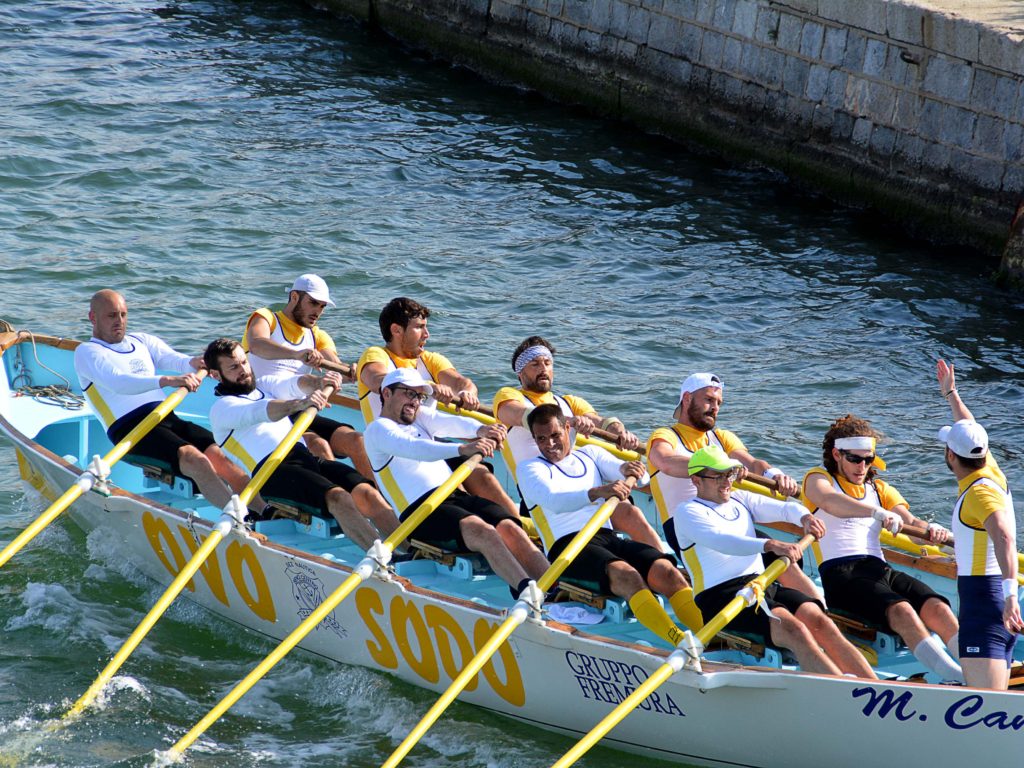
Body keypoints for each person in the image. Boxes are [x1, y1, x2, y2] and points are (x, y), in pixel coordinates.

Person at [675, 445, 876, 678]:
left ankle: (874, 686)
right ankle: (840, 690)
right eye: (717, 476)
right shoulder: (687, 512)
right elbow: (722, 541)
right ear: (696, 480)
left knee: (821, 621)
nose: (726, 482)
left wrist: (805, 518)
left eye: (729, 474)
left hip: (760, 584)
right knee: (794, 629)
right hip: (721, 597)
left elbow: (786, 508)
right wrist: (770, 545)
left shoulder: (740, 498)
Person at [517, 404, 703, 642]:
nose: (550, 445)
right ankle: (681, 642)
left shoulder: (590, 454)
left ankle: (707, 636)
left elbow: (641, 478)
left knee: (668, 572)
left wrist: (627, 468)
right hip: (568, 549)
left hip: (606, 538)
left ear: (567, 429)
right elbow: (555, 501)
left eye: (555, 435)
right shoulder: (530, 468)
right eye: (541, 439)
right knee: (629, 577)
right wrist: (598, 492)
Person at [802, 414, 962, 682]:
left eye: (868, 460)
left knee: (938, 607)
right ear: (837, 454)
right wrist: (875, 512)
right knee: (902, 610)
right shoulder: (818, 479)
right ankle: (955, 677)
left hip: (879, 569)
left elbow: (911, 524)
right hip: (840, 576)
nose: (862, 466)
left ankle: (974, 671)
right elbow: (829, 502)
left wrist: (932, 531)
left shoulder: (879, 489)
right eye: (854, 459)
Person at [363, 368, 549, 594]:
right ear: (387, 393)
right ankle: (527, 593)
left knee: (510, 527)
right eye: (409, 393)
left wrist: (482, 429)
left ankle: (552, 589)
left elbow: (450, 422)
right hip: (421, 513)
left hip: (454, 497)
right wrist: (463, 449)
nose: (415, 401)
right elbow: (414, 448)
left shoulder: (419, 416)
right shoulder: (377, 430)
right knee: (483, 531)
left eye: (419, 396)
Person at [204, 338, 398, 550]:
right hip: (273, 473)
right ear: (215, 375)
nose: (244, 370)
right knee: (339, 497)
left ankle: (407, 549)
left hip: (306, 460)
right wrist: (300, 404)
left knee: (368, 494)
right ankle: (383, 558)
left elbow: (295, 383)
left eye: (244, 362)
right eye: (234, 367)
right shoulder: (221, 409)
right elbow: (261, 411)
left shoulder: (264, 385)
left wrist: (320, 383)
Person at [645, 372, 818, 600]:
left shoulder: (721, 437)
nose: (715, 408)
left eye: (718, 403)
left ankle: (816, 608)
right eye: (708, 400)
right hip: (689, 526)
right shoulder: (665, 436)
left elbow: (753, 464)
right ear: (687, 399)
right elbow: (666, 462)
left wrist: (775, 475)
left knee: (783, 559)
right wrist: (720, 467)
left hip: (730, 517)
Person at [74, 289, 251, 511]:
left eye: (123, 314)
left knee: (221, 456)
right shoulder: (87, 352)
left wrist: (193, 362)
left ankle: (261, 513)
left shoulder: (141, 340)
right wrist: (167, 380)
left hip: (166, 418)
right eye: (112, 316)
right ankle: (238, 519)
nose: (119, 321)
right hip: (131, 431)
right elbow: (119, 382)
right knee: (195, 460)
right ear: (93, 317)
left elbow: (173, 359)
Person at [357, 297, 517, 517]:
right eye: (419, 327)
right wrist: (429, 387)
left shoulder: (429, 359)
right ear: (396, 330)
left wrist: (466, 393)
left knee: (481, 475)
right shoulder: (376, 355)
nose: (427, 334)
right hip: (393, 448)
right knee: (459, 484)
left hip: (429, 437)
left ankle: (519, 526)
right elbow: (377, 380)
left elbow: (462, 383)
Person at [493, 336, 658, 549]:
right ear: (520, 373)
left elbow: (602, 422)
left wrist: (620, 433)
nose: (543, 369)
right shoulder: (508, 396)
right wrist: (568, 420)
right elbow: (522, 415)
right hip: (542, 491)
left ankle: (665, 563)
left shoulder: (569, 402)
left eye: (547, 363)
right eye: (535, 364)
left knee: (629, 511)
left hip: (579, 482)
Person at [936, 358, 1021, 689]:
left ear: (951, 456)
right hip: (994, 597)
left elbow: (1004, 536)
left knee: (987, 704)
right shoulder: (989, 469)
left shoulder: (979, 495)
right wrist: (951, 394)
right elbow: (968, 425)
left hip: (984, 601)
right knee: (994, 699)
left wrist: (1010, 597)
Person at [243, 274, 372, 479]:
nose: (318, 312)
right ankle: (335, 494)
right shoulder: (266, 318)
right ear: (294, 297)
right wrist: (296, 354)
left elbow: (337, 369)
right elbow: (257, 344)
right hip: (264, 409)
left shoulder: (317, 335)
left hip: (300, 408)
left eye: (322, 306)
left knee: (356, 440)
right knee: (318, 445)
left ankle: (375, 496)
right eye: (313, 303)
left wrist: (352, 372)